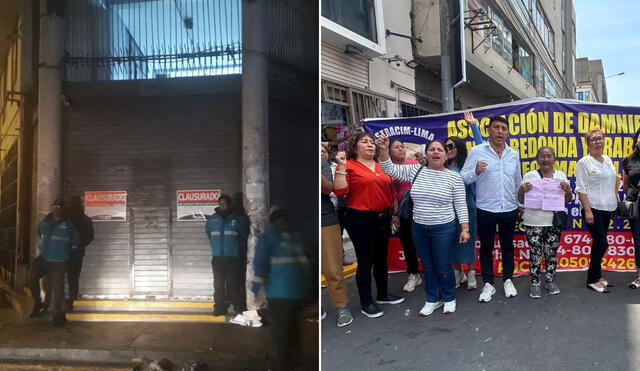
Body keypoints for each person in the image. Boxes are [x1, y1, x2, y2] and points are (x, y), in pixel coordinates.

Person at [378, 135, 469, 315]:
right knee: (427, 265)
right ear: (426, 154)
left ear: (446, 155)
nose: (436, 152)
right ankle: (432, 299)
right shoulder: (415, 171)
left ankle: (449, 298)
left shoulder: (454, 178)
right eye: (432, 149)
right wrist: (383, 149)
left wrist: (465, 228)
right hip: (419, 228)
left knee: (443, 265)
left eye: (440, 149)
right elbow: (388, 168)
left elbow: (460, 204)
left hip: (444, 228)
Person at [333, 132, 404, 319]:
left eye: (371, 142)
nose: (370, 145)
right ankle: (366, 302)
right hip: (360, 218)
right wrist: (340, 167)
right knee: (366, 261)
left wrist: (394, 212)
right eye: (364, 142)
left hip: (382, 217)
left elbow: (390, 191)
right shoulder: (348, 166)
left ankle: (382, 294)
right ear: (355, 147)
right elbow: (340, 190)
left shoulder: (381, 167)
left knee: (381, 258)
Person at [460, 116, 522, 302]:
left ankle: (508, 280)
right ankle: (488, 284)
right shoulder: (477, 152)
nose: (500, 131)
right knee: (486, 247)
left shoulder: (513, 154)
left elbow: (517, 181)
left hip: (509, 208)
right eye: (496, 127)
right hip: (485, 208)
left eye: (504, 128)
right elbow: (463, 177)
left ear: (508, 132)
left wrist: (520, 205)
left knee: (507, 246)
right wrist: (475, 172)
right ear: (489, 131)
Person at [251, 207, 315, 371]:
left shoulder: (268, 237)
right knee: (294, 330)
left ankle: (286, 365)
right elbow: (310, 264)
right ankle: (297, 363)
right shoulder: (297, 236)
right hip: (299, 292)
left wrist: (255, 291)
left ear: (271, 220)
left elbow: (260, 266)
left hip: (279, 295)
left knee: (281, 335)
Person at [518, 147, 572, 298]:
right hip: (533, 221)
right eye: (542, 156)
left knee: (551, 254)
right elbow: (521, 200)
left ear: (554, 159)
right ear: (537, 159)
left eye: (549, 156)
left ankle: (550, 280)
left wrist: (567, 190)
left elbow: (566, 200)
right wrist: (521, 190)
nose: (546, 159)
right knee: (535, 254)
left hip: (553, 223)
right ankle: (535, 283)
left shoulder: (560, 176)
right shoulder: (530, 175)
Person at [576, 128, 617, 293]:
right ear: (588, 144)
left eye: (600, 138)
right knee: (601, 243)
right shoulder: (584, 162)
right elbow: (581, 188)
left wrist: (614, 201)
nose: (598, 142)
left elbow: (613, 182)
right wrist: (587, 211)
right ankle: (592, 279)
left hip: (608, 208)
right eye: (593, 139)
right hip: (592, 209)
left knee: (599, 244)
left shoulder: (607, 160)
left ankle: (598, 275)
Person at [28, 199, 79, 326]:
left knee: (58, 288)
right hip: (43, 258)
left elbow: (75, 242)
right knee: (31, 277)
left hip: (58, 261)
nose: (56, 209)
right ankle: (38, 303)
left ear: (63, 209)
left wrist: (66, 252)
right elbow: (40, 235)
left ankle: (57, 315)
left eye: (59, 207)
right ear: (51, 208)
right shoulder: (45, 222)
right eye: (54, 206)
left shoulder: (68, 224)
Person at [321, 152, 353, 327]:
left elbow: (328, 189)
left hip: (325, 219)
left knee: (333, 268)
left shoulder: (321, 164)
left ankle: (341, 306)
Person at [206, 194, 249, 315]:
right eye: (220, 203)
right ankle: (219, 308)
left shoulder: (238, 219)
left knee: (234, 283)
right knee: (218, 284)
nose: (222, 205)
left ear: (229, 204)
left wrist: (234, 248)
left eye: (224, 203)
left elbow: (244, 236)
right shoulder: (212, 219)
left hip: (233, 257)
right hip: (218, 257)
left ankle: (238, 308)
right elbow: (209, 234)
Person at [388, 139, 422, 292]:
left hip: (421, 209)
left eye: (402, 146)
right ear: (389, 151)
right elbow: (391, 194)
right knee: (408, 244)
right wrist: (395, 214)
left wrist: (424, 162)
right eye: (396, 147)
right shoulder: (387, 169)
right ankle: (413, 274)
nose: (401, 149)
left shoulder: (415, 165)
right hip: (402, 213)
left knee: (426, 243)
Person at [64, 195, 94, 310]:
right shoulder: (85, 219)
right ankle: (72, 301)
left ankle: (57, 301)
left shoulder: (65, 218)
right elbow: (90, 236)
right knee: (73, 278)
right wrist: (79, 245)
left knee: (58, 277)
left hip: (62, 253)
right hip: (77, 254)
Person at [623, 127, 640, 289]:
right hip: (635, 207)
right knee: (639, 241)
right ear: (637, 139)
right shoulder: (628, 161)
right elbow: (625, 185)